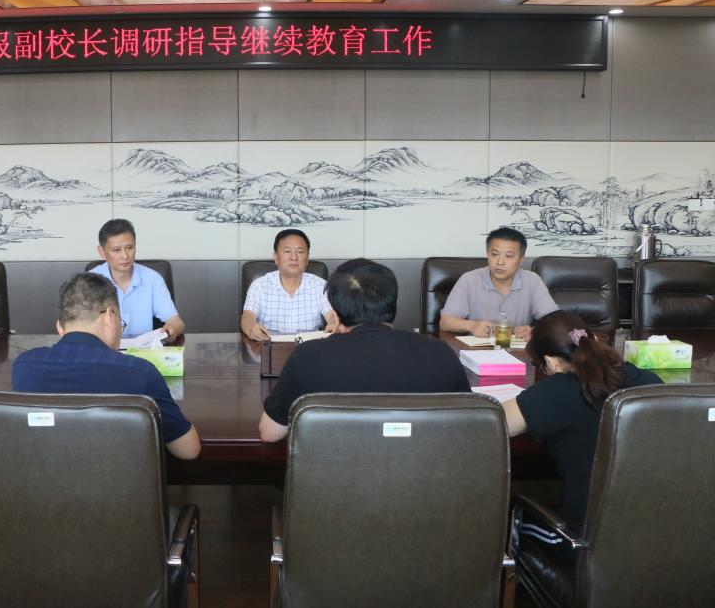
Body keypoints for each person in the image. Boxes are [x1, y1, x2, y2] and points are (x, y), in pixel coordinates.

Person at [258, 259, 470, 443]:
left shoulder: (307, 356)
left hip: (334, 477)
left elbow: (270, 433)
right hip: (426, 475)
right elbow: (470, 425)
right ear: (393, 305)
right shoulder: (439, 352)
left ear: (336, 316)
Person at [502, 311, 661, 536]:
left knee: (515, 520)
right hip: (656, 533)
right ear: (594, 339)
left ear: (551, 363)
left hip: (581, 539)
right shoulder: (649, 381)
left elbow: (491, 423)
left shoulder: (553, 393)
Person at [12, 272, 200, 460]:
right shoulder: (141, 373)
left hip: (46, 476)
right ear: (109, 317)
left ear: (60, 328)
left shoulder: (24, 367)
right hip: (119, 478)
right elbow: (188, 451)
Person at [439, 226, 558, 341]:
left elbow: (556, 322)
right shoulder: (469, 280)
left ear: (520, 260)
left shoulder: (532, 281)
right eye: (494, 254)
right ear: (488, 254)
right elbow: (445, 322)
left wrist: (534, 331)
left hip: (517, 352)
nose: (500, 262)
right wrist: (472, 325)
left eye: (509, 256)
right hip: (476, 351)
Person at [90, 218, 185, 339]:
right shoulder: (88, 282)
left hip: (143, 349)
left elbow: (176, 322)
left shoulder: (152, 279)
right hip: (101, 349)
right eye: (117, 250)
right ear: (102, 251)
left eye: (129, 248)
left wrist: (172, 330)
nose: (125, 256)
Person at [241, 229, 337, 341]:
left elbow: (331, 314)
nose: (294, 257)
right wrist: (251, 328)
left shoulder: (320, 286)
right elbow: (248, 317)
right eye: (287, 251)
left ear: (307, 258)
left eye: (300, 252)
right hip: (269, 346)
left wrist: (334, 324)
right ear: (276, 257)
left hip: (310, 347)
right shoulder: (260, 286)